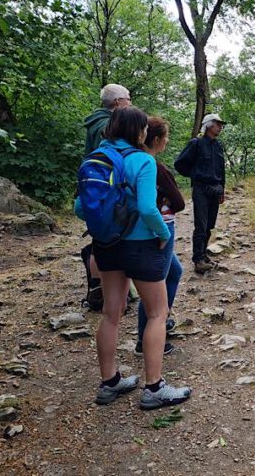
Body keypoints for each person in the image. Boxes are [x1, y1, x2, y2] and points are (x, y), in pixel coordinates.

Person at [75, 107, 191, 410]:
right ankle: (154, 388)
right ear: (138, 132)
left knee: (111, 314)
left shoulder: (95, 160)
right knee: (157, 313)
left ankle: (109, 382)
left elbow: (79, 208)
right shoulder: (142, 160)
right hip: (141, 245)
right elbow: (147, 207)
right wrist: (162, 235)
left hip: (106, 243)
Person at [135, 116, 184, 356]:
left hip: (148, 229)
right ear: (156, 139)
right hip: (160, 230)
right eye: (166, 137)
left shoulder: (133, 161)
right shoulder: (155, 166)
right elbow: (180, 202)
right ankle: (148, 336)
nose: (168, 141)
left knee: (174, 272)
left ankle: (157, 324)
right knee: (156, 286)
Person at [82, 84, 133, 310]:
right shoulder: (109, 125)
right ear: (117, 102)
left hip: (93, 189)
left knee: (99, 239)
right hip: (110, 190)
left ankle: (98, 289)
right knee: (111, 240)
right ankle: (107, 290)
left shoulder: (95, 123)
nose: (130, 102)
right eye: (128, 99)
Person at [178, 113, 227, 274]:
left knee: (210, 226)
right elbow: (180, 163)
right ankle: (197, 259)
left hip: (215, 189)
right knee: (201, 225)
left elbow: (221, 169)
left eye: (221, 125)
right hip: (200, 189)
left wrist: (222, 190)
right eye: (217, 124)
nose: (220, 127)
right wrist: (195, 175)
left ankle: (203, 254)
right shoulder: (196, 144)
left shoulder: (218, 146)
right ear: (209, 125)